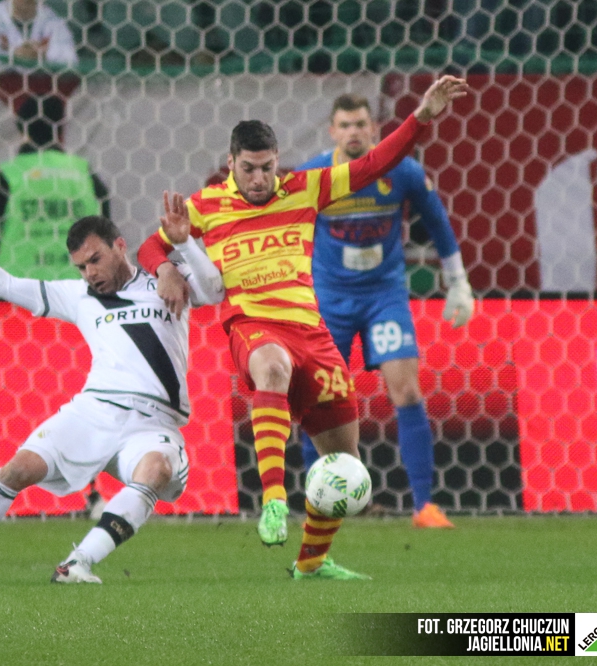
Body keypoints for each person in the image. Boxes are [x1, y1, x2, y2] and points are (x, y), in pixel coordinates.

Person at [137, 75, 469, 580]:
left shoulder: (303, 188)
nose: (259, 179)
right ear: (231, 163)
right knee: (271, 368)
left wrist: (421, 117)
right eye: (248, 169)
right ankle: (274, 499)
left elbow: (375, 164)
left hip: (312, 333)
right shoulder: (206, 205)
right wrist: (164, 266)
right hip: (253, 325)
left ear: (278, 161)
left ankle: (312, 561)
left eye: (267, 167)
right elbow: (151, 245)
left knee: (346, 468)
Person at [0, 214, 224, 583]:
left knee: (156, 471)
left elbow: (214, 291)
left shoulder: (166, 280)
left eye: (95, 260)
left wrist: (184, 248)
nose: (90, 273)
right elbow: (4, 283)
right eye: (81, 267)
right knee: (17, 469)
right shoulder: (78, 297)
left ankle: (77, 564)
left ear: (120, 246)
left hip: (153, 422)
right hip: (94, 411)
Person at [295, 94, 475, 529]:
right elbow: (287, 232)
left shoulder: (402, 170)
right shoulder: (313, 175)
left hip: (384, 297)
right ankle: (318, 503)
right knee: (317, 400)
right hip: (330, 300)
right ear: (332, 132)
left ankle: (424, 506)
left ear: (374, 129)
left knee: (407, 391)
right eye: (345, 125)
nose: (354, 132)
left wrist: (458, 282)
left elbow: (438, 223)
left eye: (361, 123)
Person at [0, 93, 110, 281]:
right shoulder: (85, 174)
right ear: (61, 128)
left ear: (22, 129)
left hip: (17, 292)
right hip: (79, 290)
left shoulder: (6, 175)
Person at [0, 0, 76, 75]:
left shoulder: (54, 22)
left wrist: (43, 57)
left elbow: (71, 62)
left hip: (45, 91)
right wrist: (12, 58)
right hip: (1, 93)